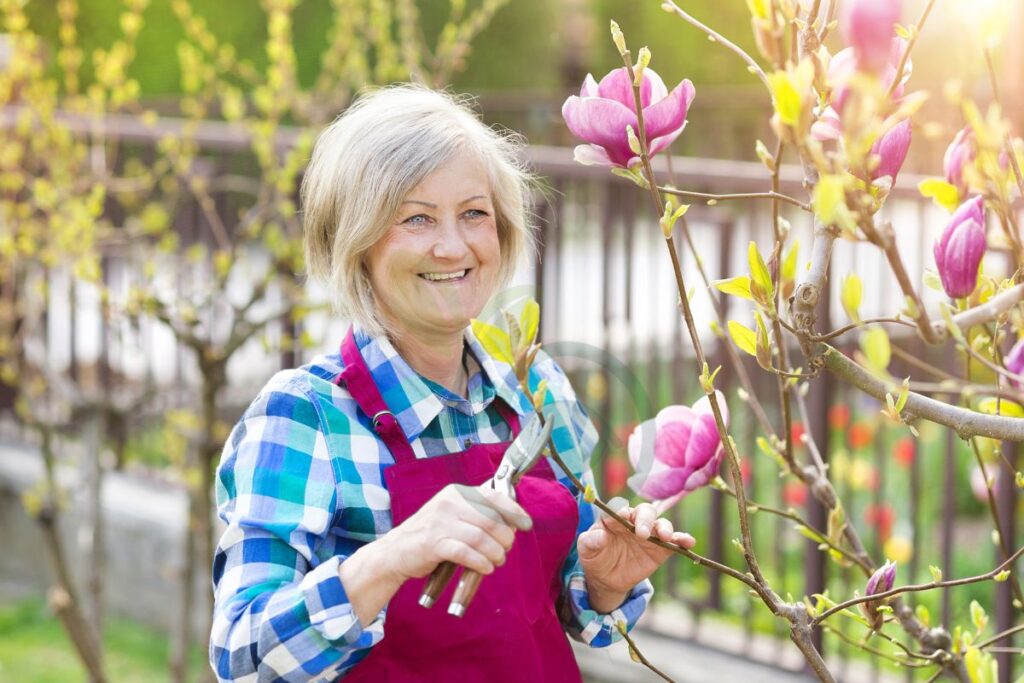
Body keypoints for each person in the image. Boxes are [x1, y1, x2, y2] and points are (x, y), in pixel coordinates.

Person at [208, 85, 696, 682]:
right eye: (416, 218)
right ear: (356, 242)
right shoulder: (304, 415)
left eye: (474, 213)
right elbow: (243, 655)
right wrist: (390, 557)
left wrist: (602, 580)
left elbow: (565, 606)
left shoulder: (535, 390)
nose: (453, 245)